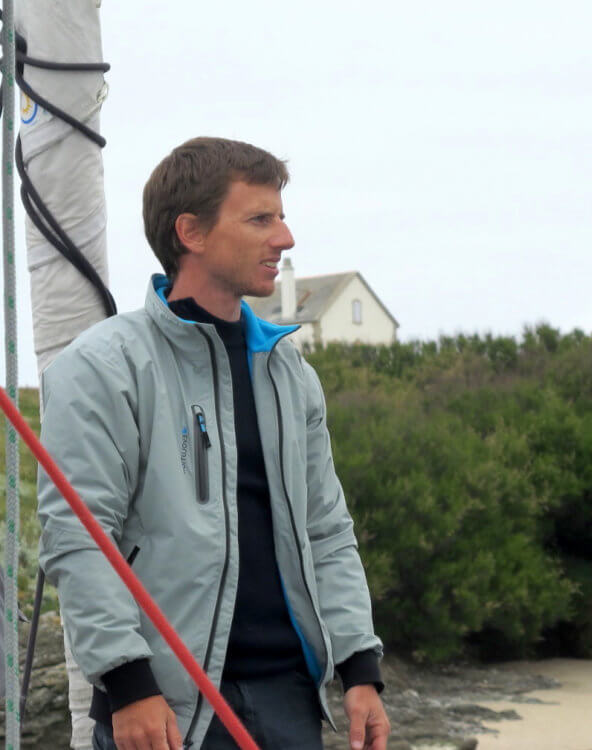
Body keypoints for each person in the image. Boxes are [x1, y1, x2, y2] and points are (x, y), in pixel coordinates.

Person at [36, 137, 390, 750]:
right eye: (260, 219)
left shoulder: (289, 372)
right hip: (162, 709)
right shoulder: (100, 368)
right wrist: (128, 685)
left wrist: (360, 668)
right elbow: (80, 536)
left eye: (280, 217)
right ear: (191, 233)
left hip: (289, 702)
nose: (285, 238)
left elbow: (327, 529)